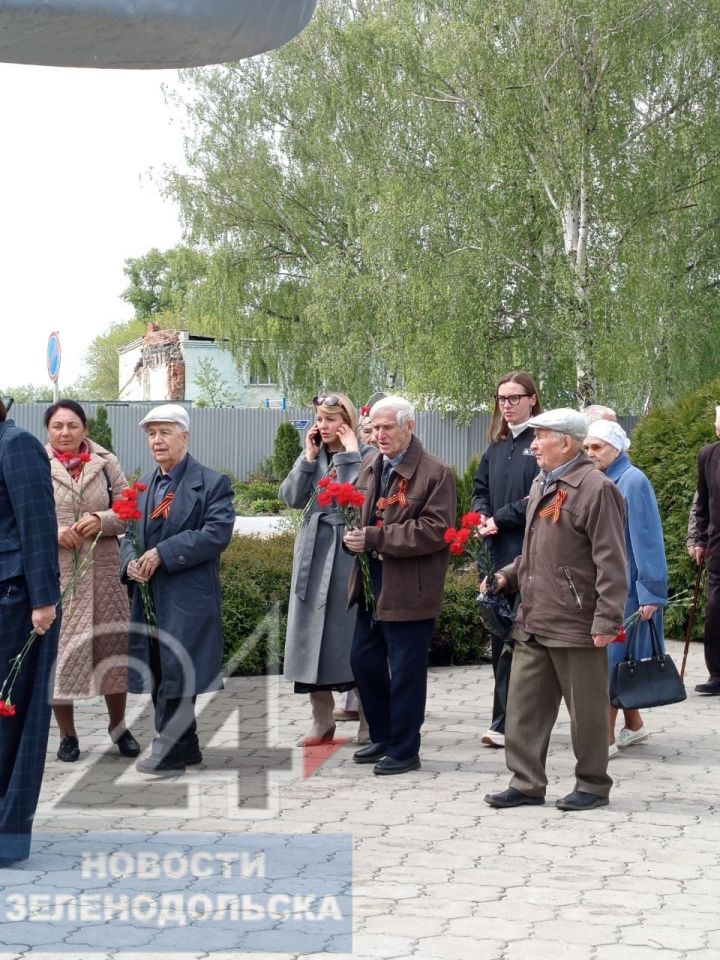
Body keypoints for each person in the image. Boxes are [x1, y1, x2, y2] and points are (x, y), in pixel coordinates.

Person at [483, 408, 627, 811]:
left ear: (566, 442)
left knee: (587, 714)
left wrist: (607, 619)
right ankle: (527, 784)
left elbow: (613, 562)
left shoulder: (597, 489)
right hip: (533, 617)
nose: (532, 445)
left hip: (576, 621)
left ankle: (593, 785)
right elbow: (534, 551)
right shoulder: (543, 482)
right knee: (523, 707)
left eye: (540, 436)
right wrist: (507, 576)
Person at [120, 404, 235, 774]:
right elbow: (129, 535)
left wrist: (163, 553)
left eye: (165, 432)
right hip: (150, 596)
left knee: (177, 670)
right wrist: (130, 562)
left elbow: (216, 535)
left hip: (188, 597)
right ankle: (186, 746)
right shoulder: (143, 488)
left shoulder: (213, 483)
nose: (157, 440)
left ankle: (169, 750)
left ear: (185, 436)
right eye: (152, 434)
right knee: (158, 669)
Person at [344, 396, 456, 775]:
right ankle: (383, 734)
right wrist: (353, 536)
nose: (378, 435)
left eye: (386, 427)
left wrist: (375, 537)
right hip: (371, 581)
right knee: (363, 660)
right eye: (373, 428)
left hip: (411, 586)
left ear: (410, 427)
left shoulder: (435, 472)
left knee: (406, 670)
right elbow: (362, 512)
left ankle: (406, 749)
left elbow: (435, 531)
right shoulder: (371, 463)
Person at [44, 400, 139, 763]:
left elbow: (128, 509)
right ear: (48, 431)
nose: (65, 432)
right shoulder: (39, 464)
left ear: (84, 428)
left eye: (72, 425)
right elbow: (25, 514)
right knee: (60, 657)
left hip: (103, 572)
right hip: (59, 573)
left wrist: (103, 519)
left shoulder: (106, 461)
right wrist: (54, 532)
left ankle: (118, 726)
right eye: (57, 426)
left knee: (112, 654)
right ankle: (68, 736)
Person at [281, 393, 372, 745]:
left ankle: (369, 719)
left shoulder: (366, 456)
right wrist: (307, 457)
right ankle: (321, 720)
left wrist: (350, 454)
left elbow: (357, 496)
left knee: (350, 638)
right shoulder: (315, 456)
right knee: (307, 638)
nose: (323, 426)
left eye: (331, 419)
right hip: (313, 552)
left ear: (346, 421)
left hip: (346, 554)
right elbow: (291, 497)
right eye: (320, 419)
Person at [583, 419, 668, 755]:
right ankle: (634, 725)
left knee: (610, 661)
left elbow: (647, 539)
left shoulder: (632, 481)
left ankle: (603, 739)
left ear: (616, 448)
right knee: (618, 658)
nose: (590, 453)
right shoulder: (600, 480)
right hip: (603, 587)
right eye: (587, 447)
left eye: (597, 447)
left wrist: (650, 593)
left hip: (628, 591)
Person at [0, 397, 60, 866]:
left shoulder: (17, 444)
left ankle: (8, 833)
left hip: (17, 600)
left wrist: (43, 601)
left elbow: (38, 527)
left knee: (12, 716)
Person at [471, 371, 541, 748]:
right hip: (495, 555)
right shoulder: (496, 447)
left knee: (522, 642)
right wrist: (483, 515)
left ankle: (509, 722)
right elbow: (479, 488)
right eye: (502, 398)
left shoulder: (542, 443)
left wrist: (502, 517)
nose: (507, 405)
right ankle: (502, 720)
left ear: (532, 399)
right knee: (501, 637)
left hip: (528, 555)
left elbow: (538, 497)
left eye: (515, 398)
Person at [691, 404, 720, 695]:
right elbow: (701, 503)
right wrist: (698, 539)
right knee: (715, 611)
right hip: (717, 547)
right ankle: (717, 674)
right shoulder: (708, 455)